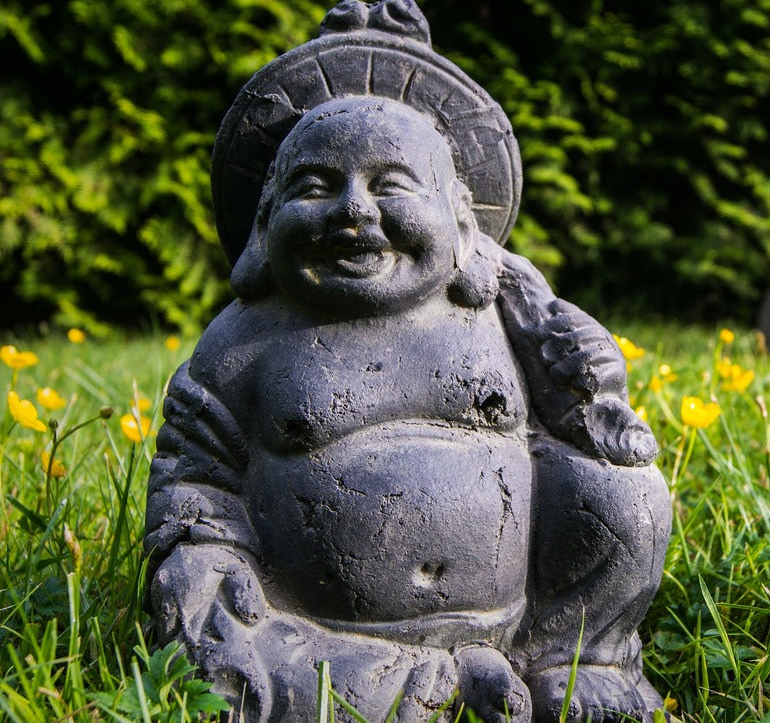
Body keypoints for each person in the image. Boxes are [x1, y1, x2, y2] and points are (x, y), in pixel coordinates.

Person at [145, 86, 670, 723]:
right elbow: (194, 477)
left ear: (460, 219)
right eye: (313, 187)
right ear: (264, 222)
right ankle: (421, 685)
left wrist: (589, 379)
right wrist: (209, 561)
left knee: (626, 489)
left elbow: (588, 416)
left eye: (391, 185)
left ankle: (578, 660)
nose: (353, 212)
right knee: (231, 643)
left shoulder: (506, 310)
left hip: (528, 610)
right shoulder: (245, 341)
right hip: (328, 632)